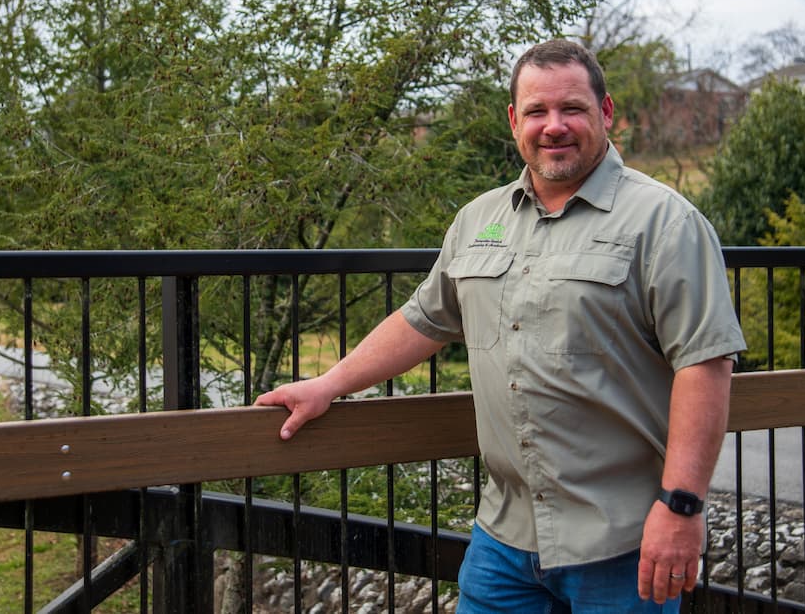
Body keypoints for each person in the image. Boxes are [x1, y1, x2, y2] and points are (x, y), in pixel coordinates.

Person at [255, 39, 747, 612]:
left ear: (606, 113)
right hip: (504, 539)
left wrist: (681, 507)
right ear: (515, 120)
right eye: (537, 111)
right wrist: (327, 385)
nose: (554, 126)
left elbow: (705, 364)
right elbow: (423, 319)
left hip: (623, 541)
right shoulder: (478, 220)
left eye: (573, 109)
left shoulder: (665, 222)